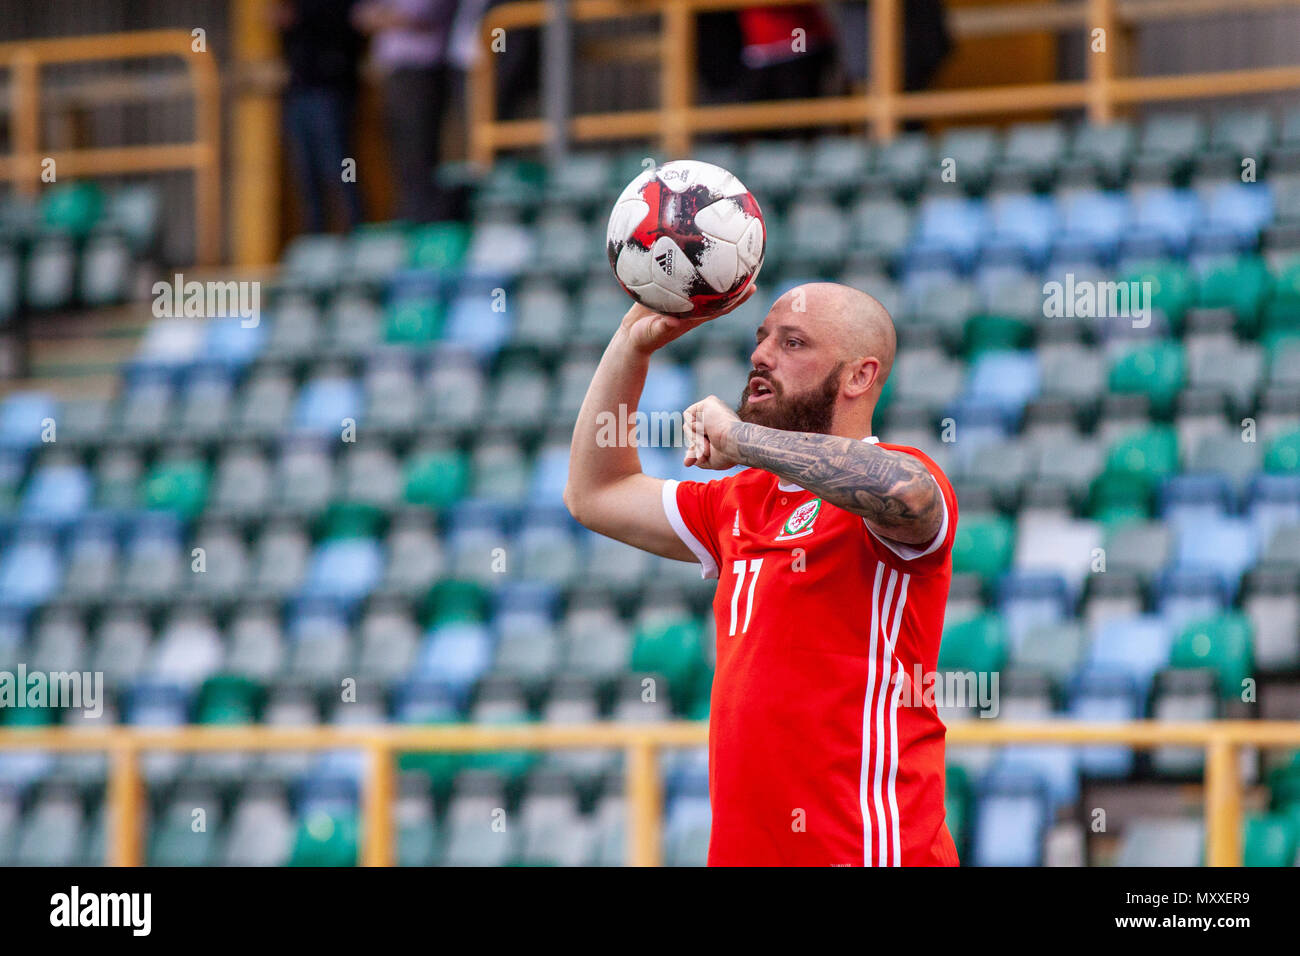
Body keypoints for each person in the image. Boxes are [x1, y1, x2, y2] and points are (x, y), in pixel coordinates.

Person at [564, 282, 961, 866]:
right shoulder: (739, 501)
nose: (761, 355)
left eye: (793, 342)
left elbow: (905, 492)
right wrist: (630, 346)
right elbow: (595, 493)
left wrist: (737, 437)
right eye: (761, 339)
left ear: (858, 377)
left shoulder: (901, 479)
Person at [353, 0, 461, 222]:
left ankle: (425, 219)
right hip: (392, 74)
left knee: (419, 151)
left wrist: (384, 16)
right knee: (399, 153)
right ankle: (410, 215)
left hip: (422, 73)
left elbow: (416, 15)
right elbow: (360, 16)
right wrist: (386, 16)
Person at [274, 0, 366, 233]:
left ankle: (356, 231)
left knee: (341, 166)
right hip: (300, 89)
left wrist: (301, 16)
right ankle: (317, 236)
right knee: (306, 171)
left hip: (332, 87)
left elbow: (350, 23)